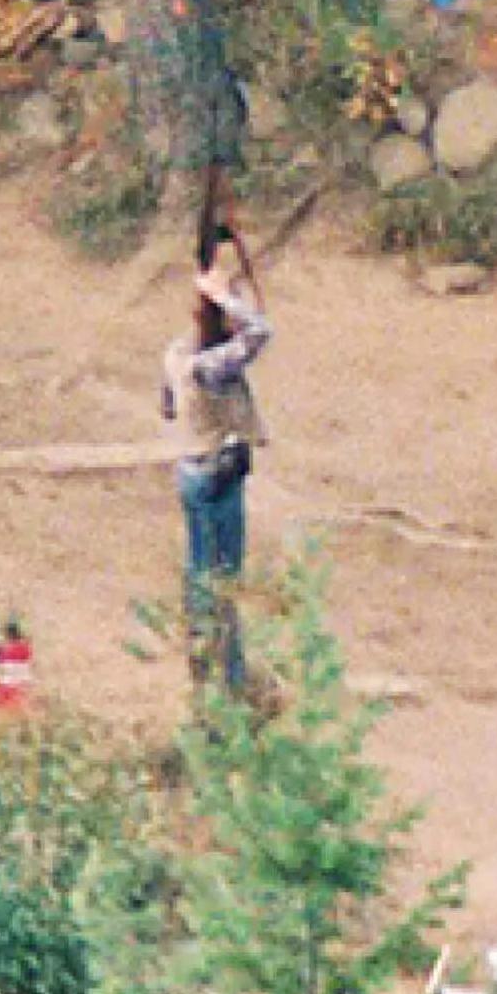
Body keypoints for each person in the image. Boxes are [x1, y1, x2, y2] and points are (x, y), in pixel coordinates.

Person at [161, 239, 271, 691]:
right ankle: (223, 679)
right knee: (222, 584)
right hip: (216, 475)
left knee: (202, 577)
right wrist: (225, 295)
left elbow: (167, 406)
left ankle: (211, 671)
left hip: (196, 470)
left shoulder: (177, 355)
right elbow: (259, 332)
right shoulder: (211, 366)